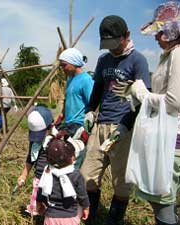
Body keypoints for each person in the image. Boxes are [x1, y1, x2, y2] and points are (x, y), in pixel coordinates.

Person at [113, 2, 180, 224]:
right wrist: (137, 91)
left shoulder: (178, 55)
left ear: (172, 31)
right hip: (168, 136)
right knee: (163, 199)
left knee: (162, 201)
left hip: (172, 141)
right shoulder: (169, 56)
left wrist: (141, 93)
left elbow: (174, 102)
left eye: (160, 31)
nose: (156, 37)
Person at [80, 15, 151, 225]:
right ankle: (90, 217)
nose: (112, 49)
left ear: (126, 35)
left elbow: (142, 99)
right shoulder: (104, 60)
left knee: (122, 182)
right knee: (87, 177)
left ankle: (114, 220)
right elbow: (98, 89)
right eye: (107, 45)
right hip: (101, 125)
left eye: (115, 44)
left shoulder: (138, 60)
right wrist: (90, 111)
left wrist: (126, 125)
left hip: (124, 128)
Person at [36, 134, 90, 225]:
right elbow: (82, 195)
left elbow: (41, 190)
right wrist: (86, 207)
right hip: (70, 218)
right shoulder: (75, 174)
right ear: (72, 158)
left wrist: (39, 204)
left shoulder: (47, 172)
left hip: (51, 218)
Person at [17, 106, 53, 215]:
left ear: (50, 125)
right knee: (38, 206)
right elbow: (30, 157)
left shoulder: (56, 139)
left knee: (50, 206)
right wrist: (24, 175)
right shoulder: (34, 141)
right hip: (38, 178)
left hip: (52, 180)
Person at [56, 48, 94, 137]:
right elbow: (67, 100)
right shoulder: (70, 80)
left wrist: (88, 128)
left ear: (74, 63)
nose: (63, 69)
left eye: (64, 65)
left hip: (79, 125)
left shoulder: (86, 80)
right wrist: (61, 116)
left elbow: (93, 105)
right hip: (68, 123)